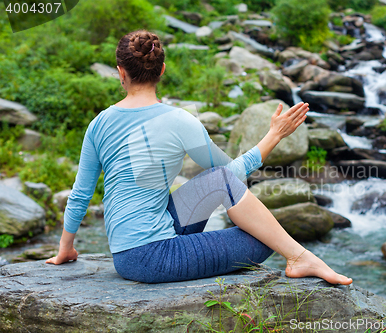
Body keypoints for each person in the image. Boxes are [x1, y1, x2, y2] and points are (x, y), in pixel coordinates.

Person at [46, 30, 352, 286]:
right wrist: (274, 136)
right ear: (162, 71)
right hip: (151, 257)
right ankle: (298, 256)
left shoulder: (99, 123)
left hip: (129, 250)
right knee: (265, 239)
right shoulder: (180, 120)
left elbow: (81, 194)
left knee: (220, 183)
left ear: (121, 73)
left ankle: (299, 256)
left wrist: (65, 249)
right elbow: (234, 172)